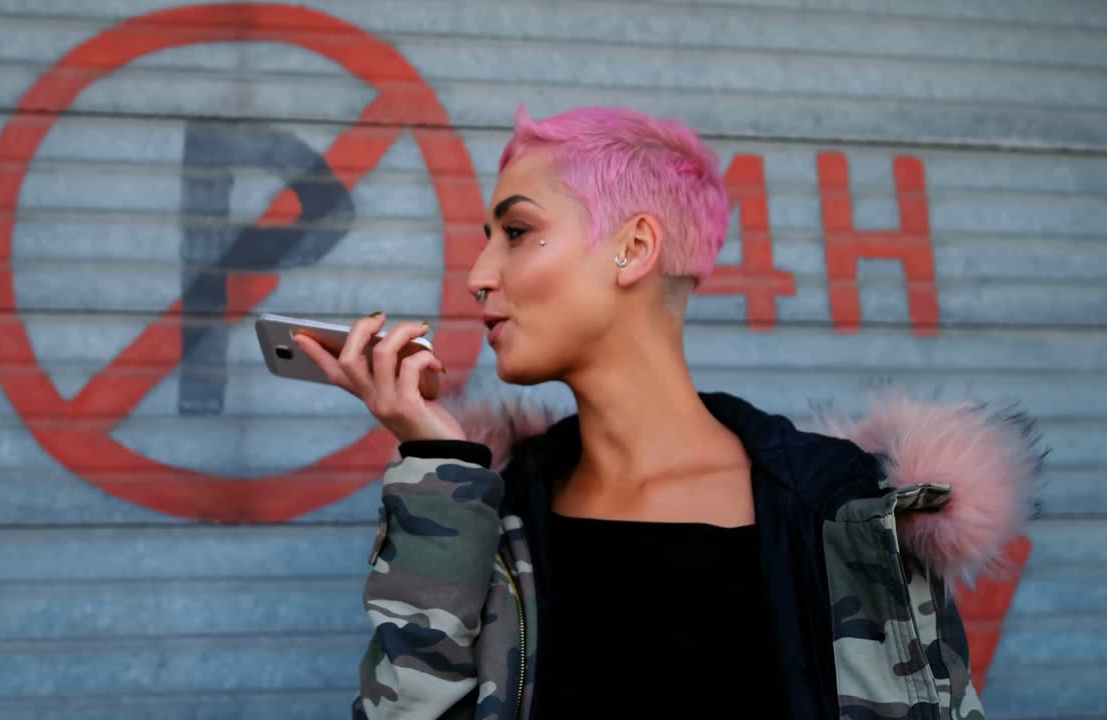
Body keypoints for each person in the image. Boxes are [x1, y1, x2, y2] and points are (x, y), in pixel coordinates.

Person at [294, 106, 1041, 719]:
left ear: (635, 247)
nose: (478, 277)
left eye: (515, 232)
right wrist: (440, 472)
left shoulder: (845, 514)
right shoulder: (492, 510)